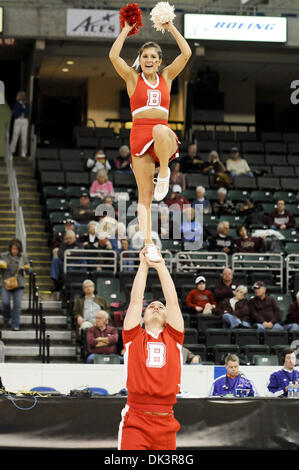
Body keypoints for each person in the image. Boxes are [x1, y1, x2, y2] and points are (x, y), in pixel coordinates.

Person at [109, 19, 191, 263]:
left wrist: (171, 27)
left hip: (161, 134)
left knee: (160, 129)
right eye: (144, 56)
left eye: (153, 56)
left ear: (159, 60)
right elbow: (113, 56)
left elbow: (186, 53)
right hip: (139, 133)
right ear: (141, 59)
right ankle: (149, 245)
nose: (148, 60)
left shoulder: (167, 76)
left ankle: (164, 172)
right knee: (144, 196)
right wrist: (125, 29)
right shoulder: (133, 79)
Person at [117, 247, 184, 450]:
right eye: (151, 306)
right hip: (136, 419)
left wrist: (161, 265)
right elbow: (136, 300)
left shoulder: (174, 337)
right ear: (143, 317)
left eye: (160, 307)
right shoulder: (133, 337)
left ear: (166, 318)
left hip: (166, 420)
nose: (156, 307)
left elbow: (172, 301)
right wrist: (144, 265)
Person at [0, 239, 30, 331]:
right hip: (6, 281)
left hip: (19, 283)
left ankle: (15, 324)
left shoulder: (23, 257)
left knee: (17, 304)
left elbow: (29, 271)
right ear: (10, 248)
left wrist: (26, 268)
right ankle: (6, 316)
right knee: (5, 302)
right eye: (13, 248)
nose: (15, 251)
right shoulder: (3, 256)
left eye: (16, 249)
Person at [10, 91, 30, 158]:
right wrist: (20, 107)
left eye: (23, 95)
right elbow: (15, 112)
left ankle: (24, 153)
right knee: (15, 136)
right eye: (21, 95)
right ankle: (11, 152)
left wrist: (23, 107)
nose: (22, 97)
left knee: (24, 137)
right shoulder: (16, 104)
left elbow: (27, 113)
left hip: (24, 121)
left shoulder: (26, 104)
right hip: (18, 120)